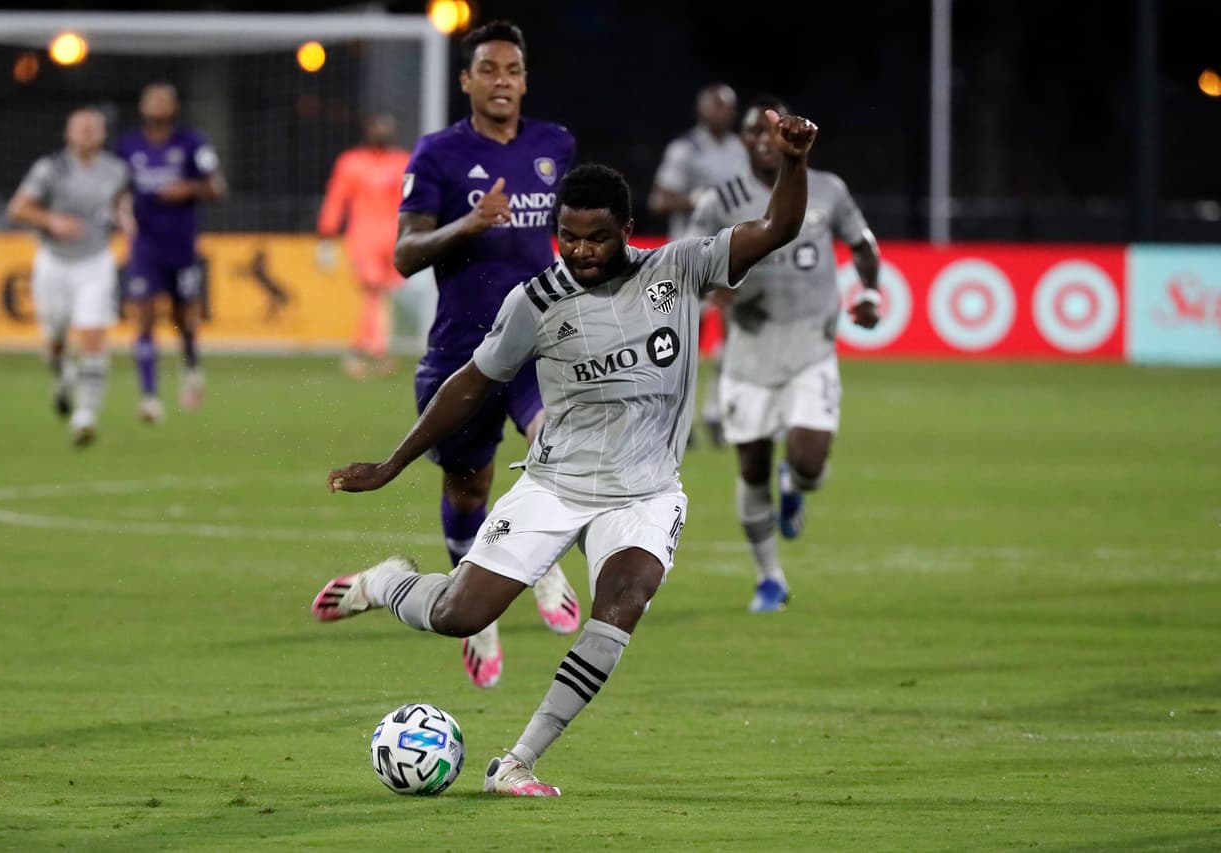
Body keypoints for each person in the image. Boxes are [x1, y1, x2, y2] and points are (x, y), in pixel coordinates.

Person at [310, 110, 820, 796]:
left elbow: (777, 228)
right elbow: (471, 384)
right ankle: (386, 583)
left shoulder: (679, 269)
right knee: (460, 614)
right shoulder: (537, 301)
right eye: (568, 237)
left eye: (597, 238)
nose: (580, 251)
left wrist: (792, 163)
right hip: (555, 485)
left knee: (623, 602)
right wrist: (393, 463)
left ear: (626, 232)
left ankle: (517, 760)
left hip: (645, 490)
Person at [372, 20, 580, 690]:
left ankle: (542, 561)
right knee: (468, 485)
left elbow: (574, 235)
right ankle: (478, 609)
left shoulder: (556, 146)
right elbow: (404, 255)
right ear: (466, 80)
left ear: (524, 80)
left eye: (512, 70)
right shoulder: (437, 155)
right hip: (463, 352)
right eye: (488, 69)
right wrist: (470, 223)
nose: (501, 81)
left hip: (539, 341)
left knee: (556, 442)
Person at [688, 95, 881, 613]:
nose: (761, 141)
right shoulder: (720, 201)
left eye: (770, 132)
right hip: (748, 351)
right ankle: (770, 578)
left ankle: (795, 483)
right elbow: (684, 269)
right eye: (752, 133)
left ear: (787, 137)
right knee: (750, 467)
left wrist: (869, 293)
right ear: (744, 140)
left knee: (810, 461)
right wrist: (712, 293)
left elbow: (863, 244)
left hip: (810, 344)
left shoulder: (829, 190)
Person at [6, 106, 132, 447]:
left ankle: (85, 416)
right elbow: (17, 208)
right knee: (56, 337)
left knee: (93, 336)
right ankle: (63, 376)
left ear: (103, 134)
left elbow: (120, 204)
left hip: (95, 262)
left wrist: (126, 221)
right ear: (68, 133)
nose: (88, 132)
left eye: (94, 127)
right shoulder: (51, 169)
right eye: (81, 127)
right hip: (54, 263)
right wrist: (51, 221)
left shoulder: (116, 170)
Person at [113, 82, 227, 423]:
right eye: (152, 99)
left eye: (164, 99)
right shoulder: (127, 146)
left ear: (174, 107)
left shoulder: (192, 143)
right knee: (144, 315)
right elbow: (116, 190)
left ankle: (191, 367)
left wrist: (187, 188)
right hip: (145, 244)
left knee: (183, 318)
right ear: (142, 105)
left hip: (181, 244)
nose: (157, 104)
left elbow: (216, 187)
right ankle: (149, 398)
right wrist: (121, 213)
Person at [648, 83, 749, 448]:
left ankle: (716, 412)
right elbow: (659, 200)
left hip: (732, 253)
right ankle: (680, 417)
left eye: (728, 107)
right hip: (690, 258)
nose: (723, 113)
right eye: (716, 106)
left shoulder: (741, 150)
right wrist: (696, 199)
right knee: (686, 340)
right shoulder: (685, 150)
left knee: (732, 335)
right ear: (702, 110)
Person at [316, 112, 412, 379]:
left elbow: (411, 202)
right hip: (364, 237)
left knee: (380, 295)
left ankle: (365, 350)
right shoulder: (351, 163)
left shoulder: (402, 162)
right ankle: (374, 351)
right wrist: (326, 234)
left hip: (392, 238)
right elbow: (337, 199)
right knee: (373, 290)